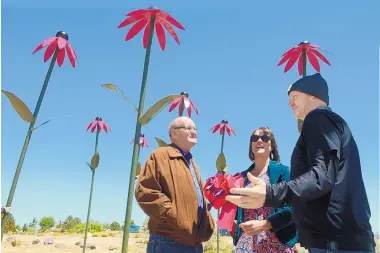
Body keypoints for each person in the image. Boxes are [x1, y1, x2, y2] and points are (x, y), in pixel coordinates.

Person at [226, 73, 376, 252]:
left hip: (334, 241)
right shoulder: (331, 122)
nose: (290, 104)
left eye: (294, 97)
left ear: (313, 95)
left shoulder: (317, 118)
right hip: (341, 238)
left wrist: (270, 194)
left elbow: (322, 177)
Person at [135, 116, 215, 253]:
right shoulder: (160, 155)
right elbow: (145, 191)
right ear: (174, 133)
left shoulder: (193, 164)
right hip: (168, 241)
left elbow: (197, 198)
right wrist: (174, 217)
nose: (194, 132)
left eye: (195, 129)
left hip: (195, 243)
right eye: (188, 128)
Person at [232, 126, 298, 253]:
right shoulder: (241, 177)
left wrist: (265, 224)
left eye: (264, 137)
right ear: (251, 145)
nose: (259, 140)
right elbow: (235, 211)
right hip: (247, 243)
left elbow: (292, 208)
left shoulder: (282, 171)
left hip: (277, 240)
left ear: (272, 145)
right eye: (255, 138)